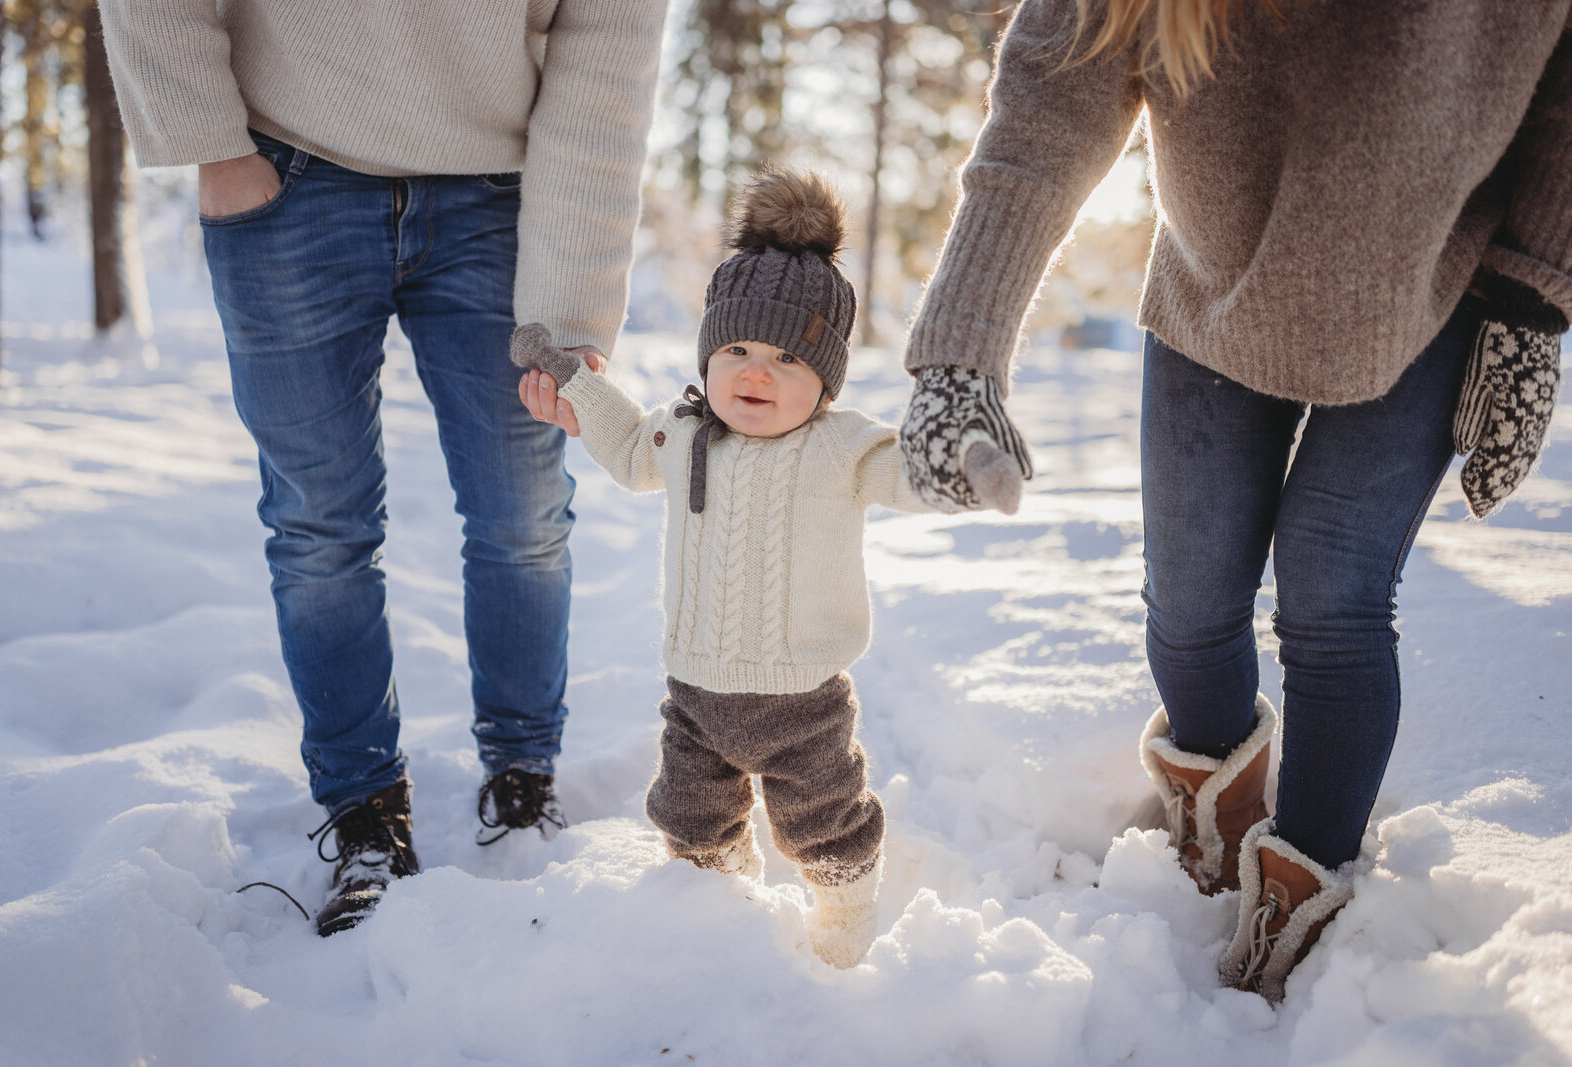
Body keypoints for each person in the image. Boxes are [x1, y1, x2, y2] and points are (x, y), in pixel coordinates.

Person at [899, 0, 1570, 1002]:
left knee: (1332, 603)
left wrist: (1532, 295)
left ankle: (1297, 902)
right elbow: (1052, 97)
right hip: (1212, 287)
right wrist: (960, 349)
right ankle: (1213, 809)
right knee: (1190, 597)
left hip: (1431, 293)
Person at [96, 2, 670, 936]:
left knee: (523, 516)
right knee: (319, 527)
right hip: (286, 176)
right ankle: (364, 809)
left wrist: (569, 297)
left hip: (503, 199)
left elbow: (606, 59)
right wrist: (209, 139)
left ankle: (523, 777)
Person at [512, 170, 942, 968]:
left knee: (825, 821)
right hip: (697, 697)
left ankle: (845, 920)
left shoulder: (840, 444)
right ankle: (724, 924)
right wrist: (574, 382)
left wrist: (959, 460)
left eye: (785, 357)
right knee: (688, 818)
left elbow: (905, 470)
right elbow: (625, 442)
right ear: (708, 354)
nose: (754, 372)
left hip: (803, 702)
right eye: (736, 349)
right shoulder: (683, 434)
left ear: (825, 376)